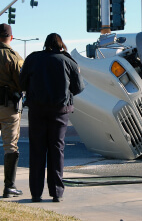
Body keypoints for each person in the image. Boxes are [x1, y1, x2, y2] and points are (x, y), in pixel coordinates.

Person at [19, 33, 84, 203]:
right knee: (57, 150)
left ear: (45, 44)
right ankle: (56, 192)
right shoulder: (68, 61)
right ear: (61, 45)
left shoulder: (33, 59)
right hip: (60, 112)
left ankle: (35, 193)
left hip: (37, 110)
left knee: (37, 150)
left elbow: (22, 82)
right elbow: (79, 87)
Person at [0, 23, 24, 198]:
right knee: (10, 145)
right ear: (11, 37)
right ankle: (9, 186)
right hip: (8, 105)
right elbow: (22, 82)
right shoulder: (13, 56)